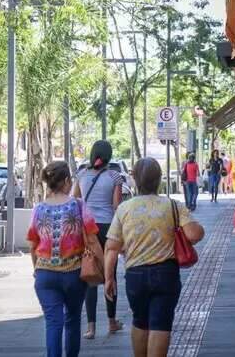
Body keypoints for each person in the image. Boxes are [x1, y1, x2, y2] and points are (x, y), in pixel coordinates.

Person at [104, 158, 204, 357]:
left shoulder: (125, 208)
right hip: (165, 273)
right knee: (161, 323)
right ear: (159, 180)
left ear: (135, 180)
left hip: (135, 275)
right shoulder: (173, 206)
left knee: (140, 320)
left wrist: (108, 279)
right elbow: (194, 234)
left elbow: (111, 247)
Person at [27, 161, 99, 357]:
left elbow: (33, 244)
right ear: (67, 181)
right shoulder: (78, 205)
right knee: (73, 319)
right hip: (73, 274)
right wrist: (104, 266)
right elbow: (92, 239)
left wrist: (37, 269)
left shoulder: (38, 209)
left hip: (44, 275)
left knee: (53, 322)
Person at [72, 140, 124, 339]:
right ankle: (112, 322)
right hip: (108, 229)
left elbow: (75, 199)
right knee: (110, 273)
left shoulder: (82, 175)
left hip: (87, 229)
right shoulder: (115, 176)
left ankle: (91, 328)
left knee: (91, 273)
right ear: (109, 156)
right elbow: (116, 206)